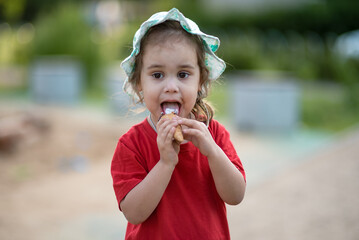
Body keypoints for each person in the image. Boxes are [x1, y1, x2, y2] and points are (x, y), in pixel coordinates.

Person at [111, 8, 246, 240]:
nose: (171, 86)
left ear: (200, 81)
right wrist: (165, 163)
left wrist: (212, 152)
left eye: (183, 74)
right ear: (139, 83)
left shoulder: (214, 133)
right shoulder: (131, 145)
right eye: (157, 75)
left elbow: (236, 195)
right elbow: (133, 213)